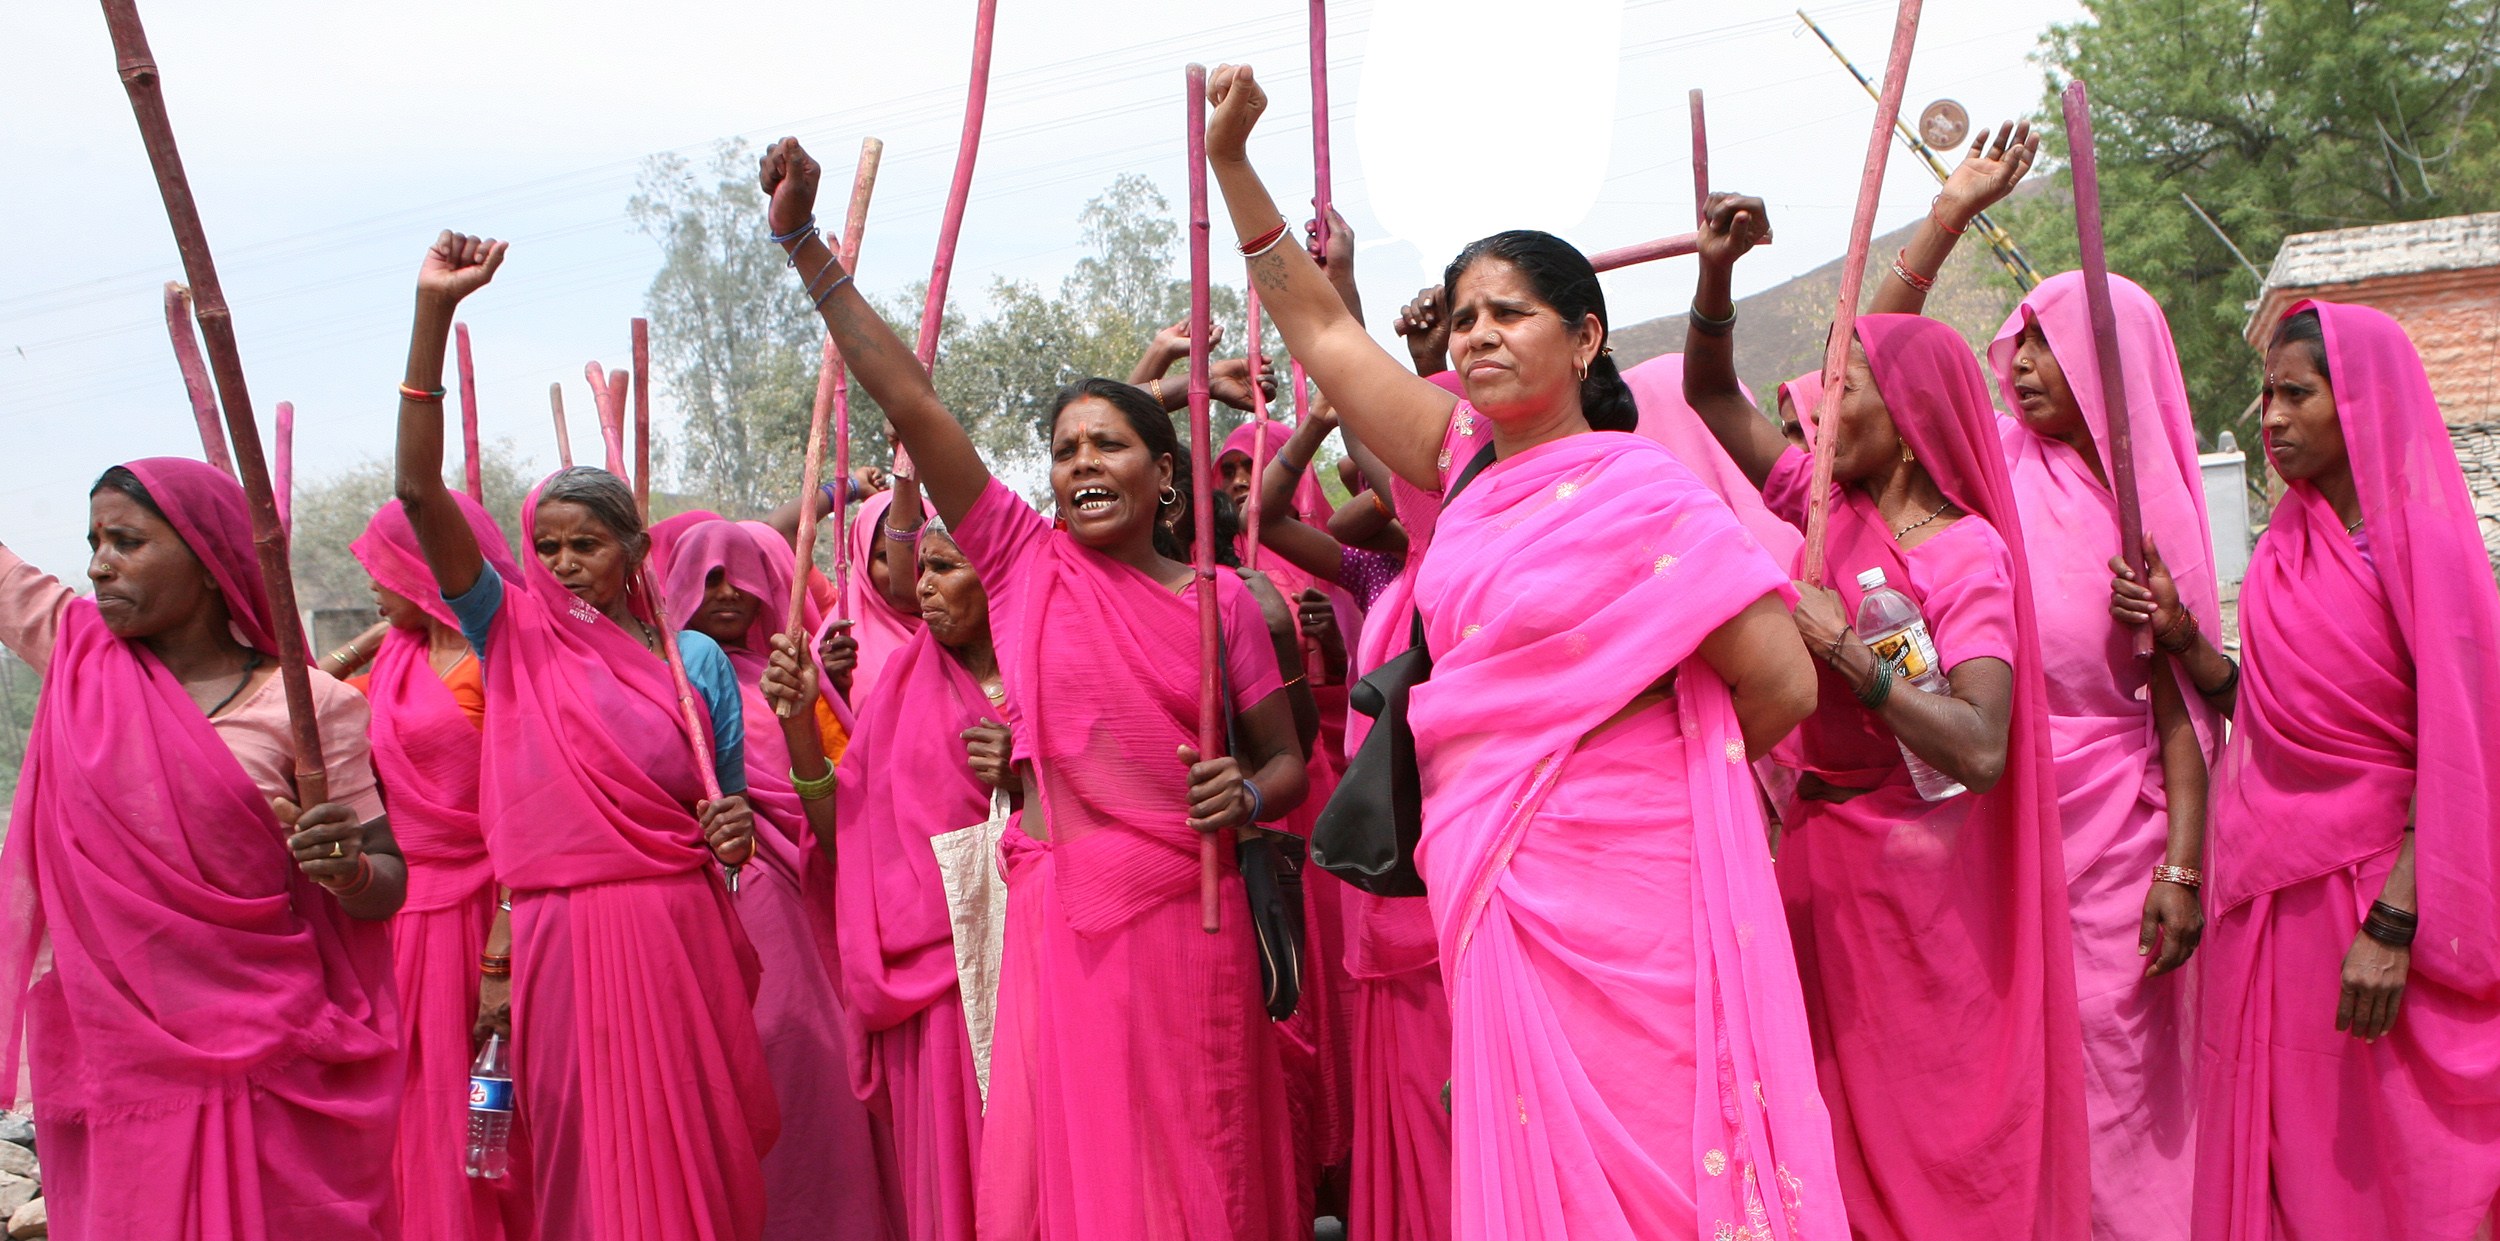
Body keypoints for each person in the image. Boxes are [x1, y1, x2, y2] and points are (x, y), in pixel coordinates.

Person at [1206, 63, 1843, 1241]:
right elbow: (1324, 329)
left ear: (1584, 334)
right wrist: (1233, 165)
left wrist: (1633, 763)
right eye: (1463, 316)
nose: (1479, 332)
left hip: (1638, 874)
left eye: (1510, 311)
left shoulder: (1647, 492)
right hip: (1497, 868)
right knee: (1535, 1141)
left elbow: (1781, 680)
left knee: (1667, 1140)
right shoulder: (1458, 460)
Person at [761, 137, 1311, 1240]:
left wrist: (1245, 799)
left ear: (1165, 473)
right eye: (1065, 449)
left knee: (1204, 1171)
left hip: (1188, 922)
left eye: (1111, 443)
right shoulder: (1018, 561)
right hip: (1063, 923)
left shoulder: (1227, 602)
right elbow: (911, 402)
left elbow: (1287, 760)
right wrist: (803, 246)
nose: (1083, 463)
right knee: (1085, 1182)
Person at [1684, 191, 2089, 1240]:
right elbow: (1710, 395)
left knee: (1931, 1143)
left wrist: (1848, 660)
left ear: (1905, 416)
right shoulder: (1822, 503)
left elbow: (1980, 744)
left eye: (1845, 387)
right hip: (1823, 883)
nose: (1818, 410)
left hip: (1926, 905)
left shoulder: (1966, 556)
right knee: (1831, 1142)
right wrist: (1716, 274)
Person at [392, 231, 778, 1241]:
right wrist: (435, 316)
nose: (562, 562)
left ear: (633, 550)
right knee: (582, 1153)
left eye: (586, 543)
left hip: (675, 931)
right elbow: (419, 494)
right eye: (546, 545)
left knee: (698, 1146)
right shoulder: (508, 631)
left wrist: (728, 835)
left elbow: (721, 823)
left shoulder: (688, 668)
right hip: (561, 938)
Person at [1865, 129, 2216, 1236]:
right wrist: (1948, 216)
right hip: (1983, 819)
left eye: (2047, 345)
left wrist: (2182, 865)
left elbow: (2179, 717)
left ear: (2113, 366)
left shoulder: (2144, 511)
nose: (2016, 363)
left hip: (2115, 850)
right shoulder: (1984, 472)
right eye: (2014, 339)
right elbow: (1870, 355)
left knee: (2121, 1089)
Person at [2114, 303, 2500, 1238]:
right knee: (2300, 1163)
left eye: (2297, 393)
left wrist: (2397, 920)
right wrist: (2182, 640)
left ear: (2360, 401)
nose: (2271, 417)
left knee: (2399, 1171)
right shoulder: (2288, 542)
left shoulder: (2426, 546)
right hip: (2282, 917)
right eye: (2266, 393)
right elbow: (2281, 718)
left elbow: (2464, 744)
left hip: (2380, 908)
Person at [0, 458, 407, 1240]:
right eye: (93, 541)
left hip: (269, 1053)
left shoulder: (311, 704)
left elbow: (386, 881)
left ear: (211, 559)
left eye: (127, 540)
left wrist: (346, 868)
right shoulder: (78, 660)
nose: (97, 563)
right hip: (121, 1055)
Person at [762, 520, 1009, 1241]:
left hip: (1040, 965)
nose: (924, 585)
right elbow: (848, 836)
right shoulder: (902, 682)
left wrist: (1024, 773)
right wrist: (802, 724)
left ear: (996, 571)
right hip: (932, 985)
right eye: (919, 568)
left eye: (945, 566)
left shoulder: (1050, 667)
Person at [662, 518, 903, 1241]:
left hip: (812, 891)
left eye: (737, 574)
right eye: (707, 579)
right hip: (728, 889)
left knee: (820, 1070)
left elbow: (846, 775)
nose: (728, 592)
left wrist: (828, 687)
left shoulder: (795, 673)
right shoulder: (668, 674)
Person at [349, 493, 536, 1241]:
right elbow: (301, 700)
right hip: (403, 918)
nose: (369, 581)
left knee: (490, 1091)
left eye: (380, 565)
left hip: (488, 904)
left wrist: (503, 941)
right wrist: (372, 637)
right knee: (415, 1097)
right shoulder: (391, 662)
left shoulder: (499, 663)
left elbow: (527, 803)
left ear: (419, 565)